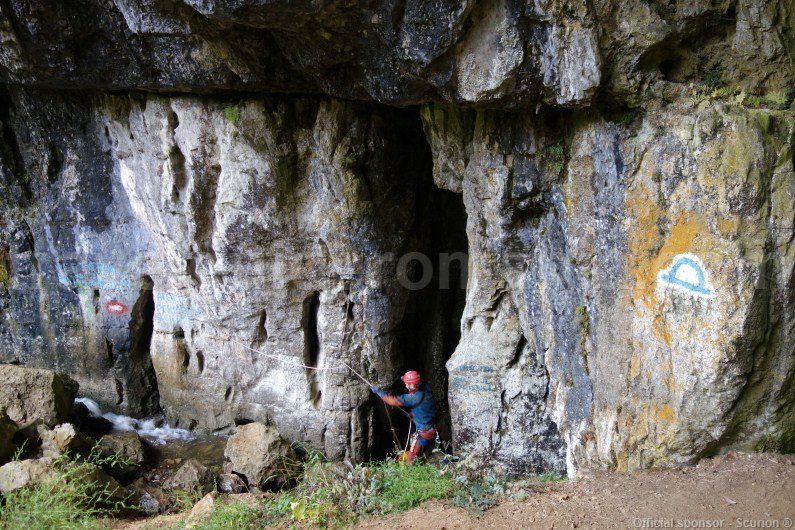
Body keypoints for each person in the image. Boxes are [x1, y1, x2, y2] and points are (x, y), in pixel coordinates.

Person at [371, 370, 437, 462]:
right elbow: (423, 407)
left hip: (425, 433)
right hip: (432, 425)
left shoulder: (414, 397)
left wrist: (379, 392)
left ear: (414, 385)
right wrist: (400, 377)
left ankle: (410, 472)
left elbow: (392, 401)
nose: (406, 386)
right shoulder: (425, 388)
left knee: (411, 457)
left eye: (408, 384)